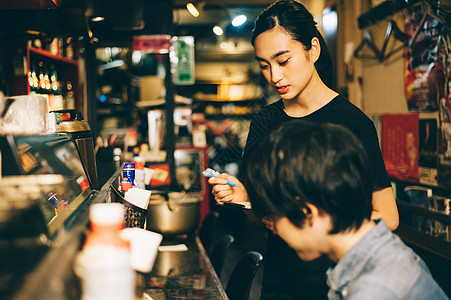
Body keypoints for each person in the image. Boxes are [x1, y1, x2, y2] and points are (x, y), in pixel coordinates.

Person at [208, 0, 399, 298]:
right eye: (264, 65)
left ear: (313, 49)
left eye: (283, 61)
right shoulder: (264, 121)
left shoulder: (352, 122)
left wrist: (315, 227)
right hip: (279, 283)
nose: (274, 76)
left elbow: (388, 216)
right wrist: (244, 199)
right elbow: (263, 216)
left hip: (342, 284)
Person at [245, 120, 448, 300]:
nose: (275, 228)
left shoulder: (373, 291)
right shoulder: (384, 252)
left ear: (308, 213)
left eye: (275, 215)